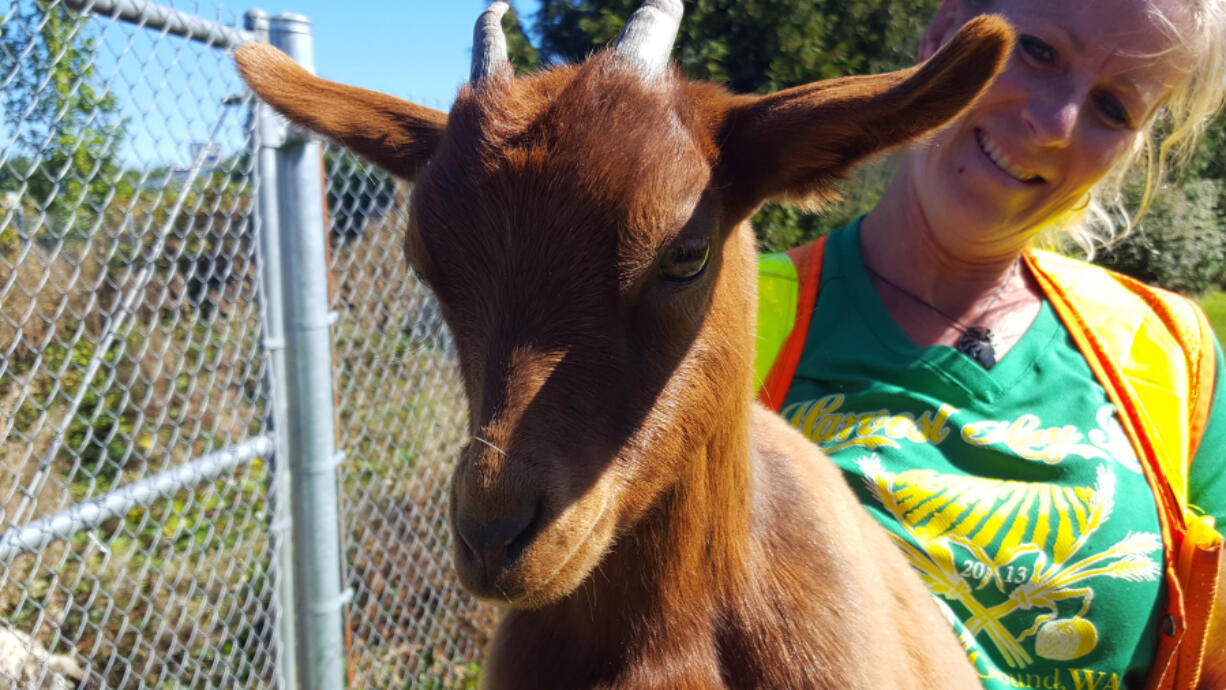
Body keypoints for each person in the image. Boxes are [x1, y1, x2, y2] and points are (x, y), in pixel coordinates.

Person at [754, 0, 1226, 688]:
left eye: (1113, 108)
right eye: (1037, 51)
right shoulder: (723, 323)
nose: (1054, 124)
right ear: (944, 36)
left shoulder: (1171, 354)